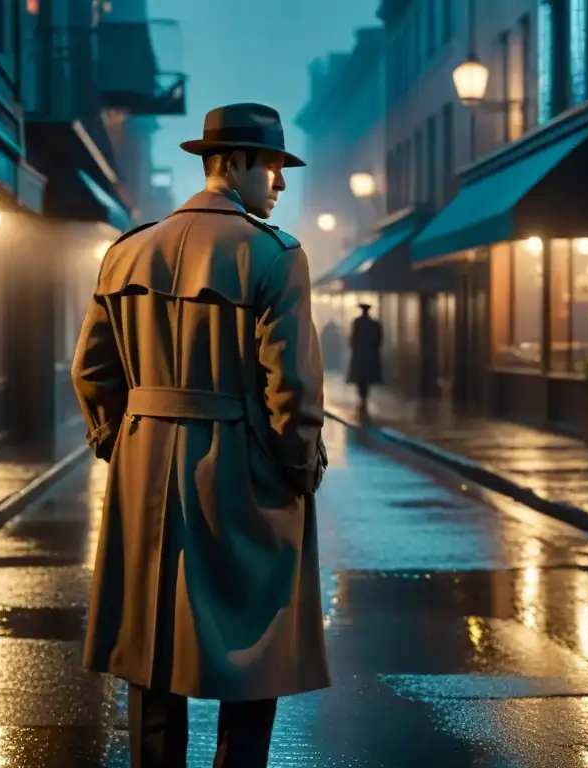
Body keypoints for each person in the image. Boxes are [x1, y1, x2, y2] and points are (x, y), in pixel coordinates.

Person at [71, 102, 330, 768]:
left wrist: (120, 442)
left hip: (145, 466)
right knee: (255, 644)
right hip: (241, 467)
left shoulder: (127, 250)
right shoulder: (274, 256)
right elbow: (294, 389)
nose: (279, 183)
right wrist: (297, 468)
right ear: (234, 162)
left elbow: (92, 371)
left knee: (153, 645)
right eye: (271, 165)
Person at [346, 303, 383, 412]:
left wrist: (354, 348)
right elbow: (379, 340)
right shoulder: (375, 324)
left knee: (360, 378)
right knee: (366, 378)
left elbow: (353, 338)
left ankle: (362, 398)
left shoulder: (357, 323)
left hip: (360, 354)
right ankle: (364, 398)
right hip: (369, 355)